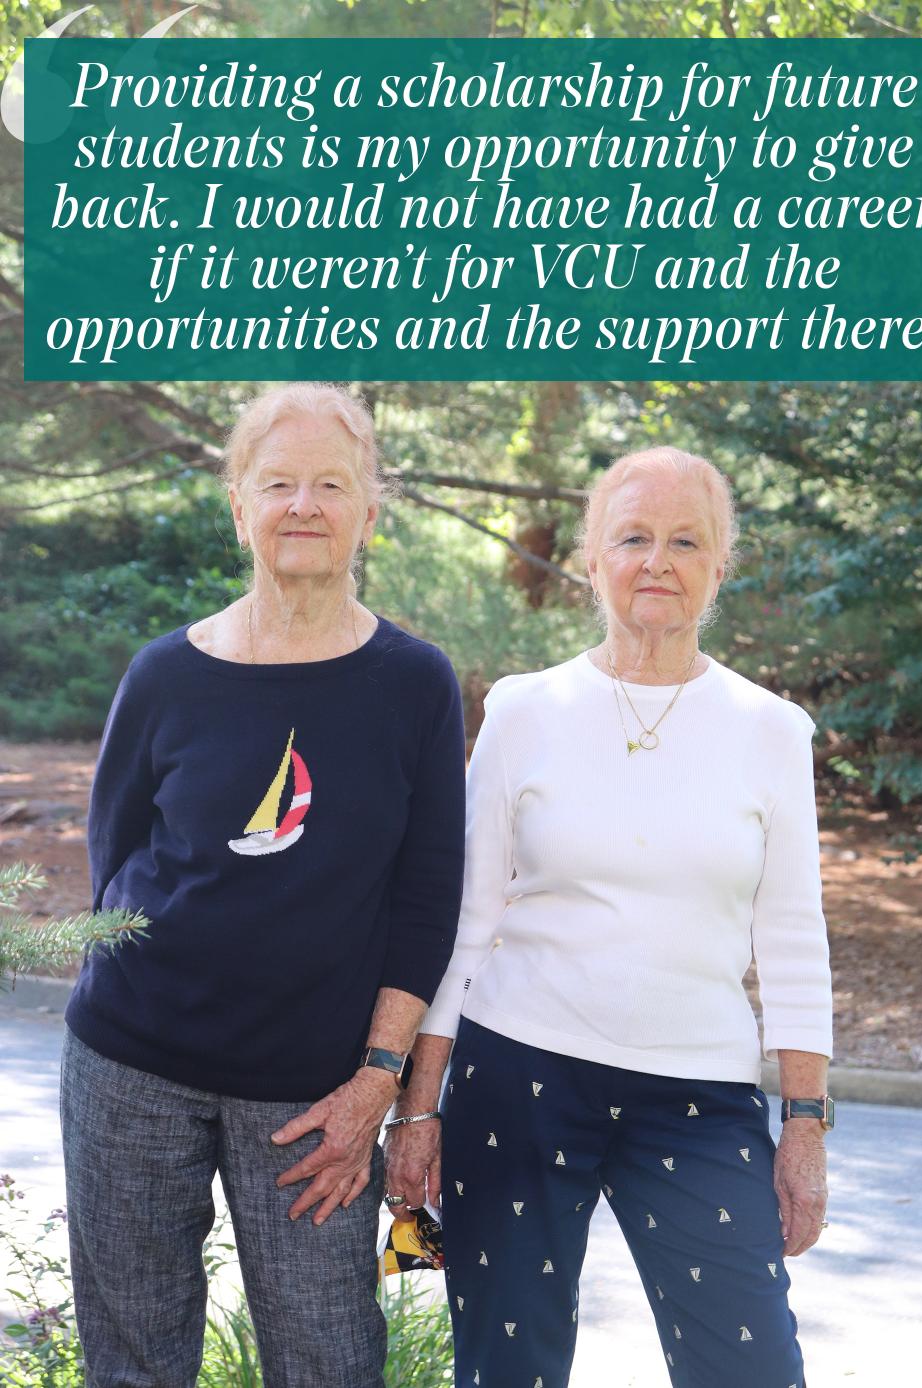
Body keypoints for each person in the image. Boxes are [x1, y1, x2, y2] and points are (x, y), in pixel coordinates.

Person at [386, 446, 833, 1388]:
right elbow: (464, 924)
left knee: (750, 1368)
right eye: (632, 537)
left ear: (720, 566)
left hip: (698, 1097)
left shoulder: (771, 730)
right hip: (518, 1079)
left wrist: (803, 1130)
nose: (656, 561)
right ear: (591, 558)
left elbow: (793, 941)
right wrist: (419, 1109)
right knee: (509, 1370)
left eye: (685, 540)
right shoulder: (523, 710)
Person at [61, 382, 466, 1388]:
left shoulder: (415, 681)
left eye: (331, 482)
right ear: (238, 504)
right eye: (276, 481)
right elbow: (113, 858)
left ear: (369, 511)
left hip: (315, 1095)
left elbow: (427, 900)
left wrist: (377, 1081)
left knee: (326, 1357)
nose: (303, 504)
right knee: (133, 1363)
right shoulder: (164, 672)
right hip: (130, 1067)